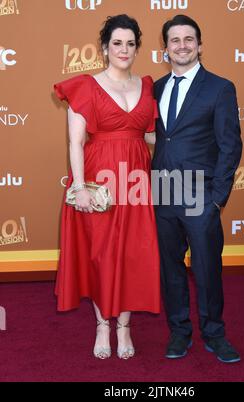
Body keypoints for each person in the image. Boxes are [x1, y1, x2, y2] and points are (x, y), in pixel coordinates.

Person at [54, 14, 160, 360]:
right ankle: (103, 324)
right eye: (117, 43)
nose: (124, 49)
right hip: (98, 181)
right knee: (100, 254)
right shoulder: (85, 87)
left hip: (136, 182)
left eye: (130, 43)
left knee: (132, 252)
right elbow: (75, 142)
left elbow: (151, 134)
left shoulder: (147, 86)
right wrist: (81, 187)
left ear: (137, 48)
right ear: (104, 48)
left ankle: (124, 327)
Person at [152, 15, 243, 363]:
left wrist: (217, 197)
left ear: (200, 45)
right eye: (174, 40)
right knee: (170, 269)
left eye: (189, 39)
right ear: (165, 50)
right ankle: (179, 331)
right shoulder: (156, 89)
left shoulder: (220, 88)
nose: (182, 45)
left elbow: (230, 145)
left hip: (201, 196)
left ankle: (215, 332)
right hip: (163, 193)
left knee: (206, 268)